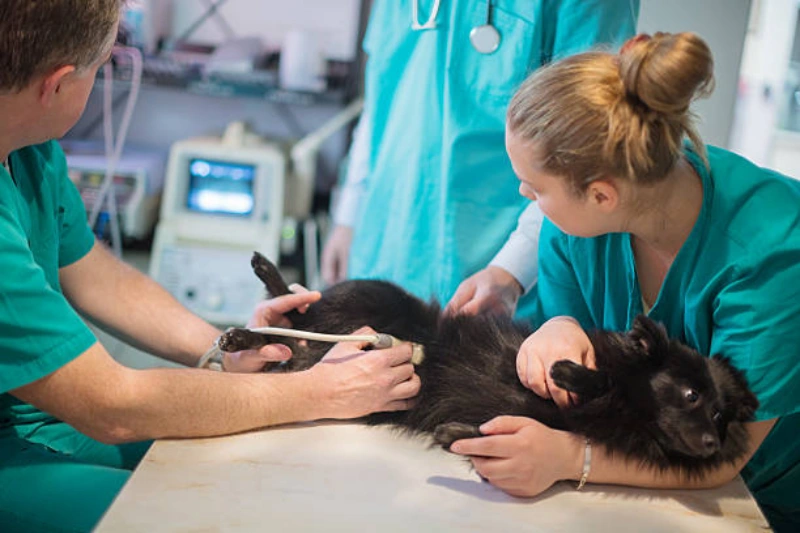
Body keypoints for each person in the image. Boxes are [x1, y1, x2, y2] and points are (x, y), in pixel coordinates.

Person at [0, 2, 420, 531]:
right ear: (57, 85)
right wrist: (317, 391)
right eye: (100, 67)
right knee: (201, 514)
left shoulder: (29, 147)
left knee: (261, 465)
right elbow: (112, 406)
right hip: (22, 447)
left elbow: (93, 273)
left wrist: (225, 350)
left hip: (44, 418)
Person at [446, 32, 800, 532]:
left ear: (601, 195)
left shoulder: (772, 257)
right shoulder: (579, 229)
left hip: (768, 496)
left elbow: (721, 450)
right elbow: (596, 358)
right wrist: (560, 327)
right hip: (649, 482)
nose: (524, 195)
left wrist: (572, 459)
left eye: (535, 187)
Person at [322, 0, 639, 319]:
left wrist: (511, 270)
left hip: (508, 281)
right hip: (386, 242)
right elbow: (382, 98)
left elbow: (588, 143)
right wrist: (349, 215)